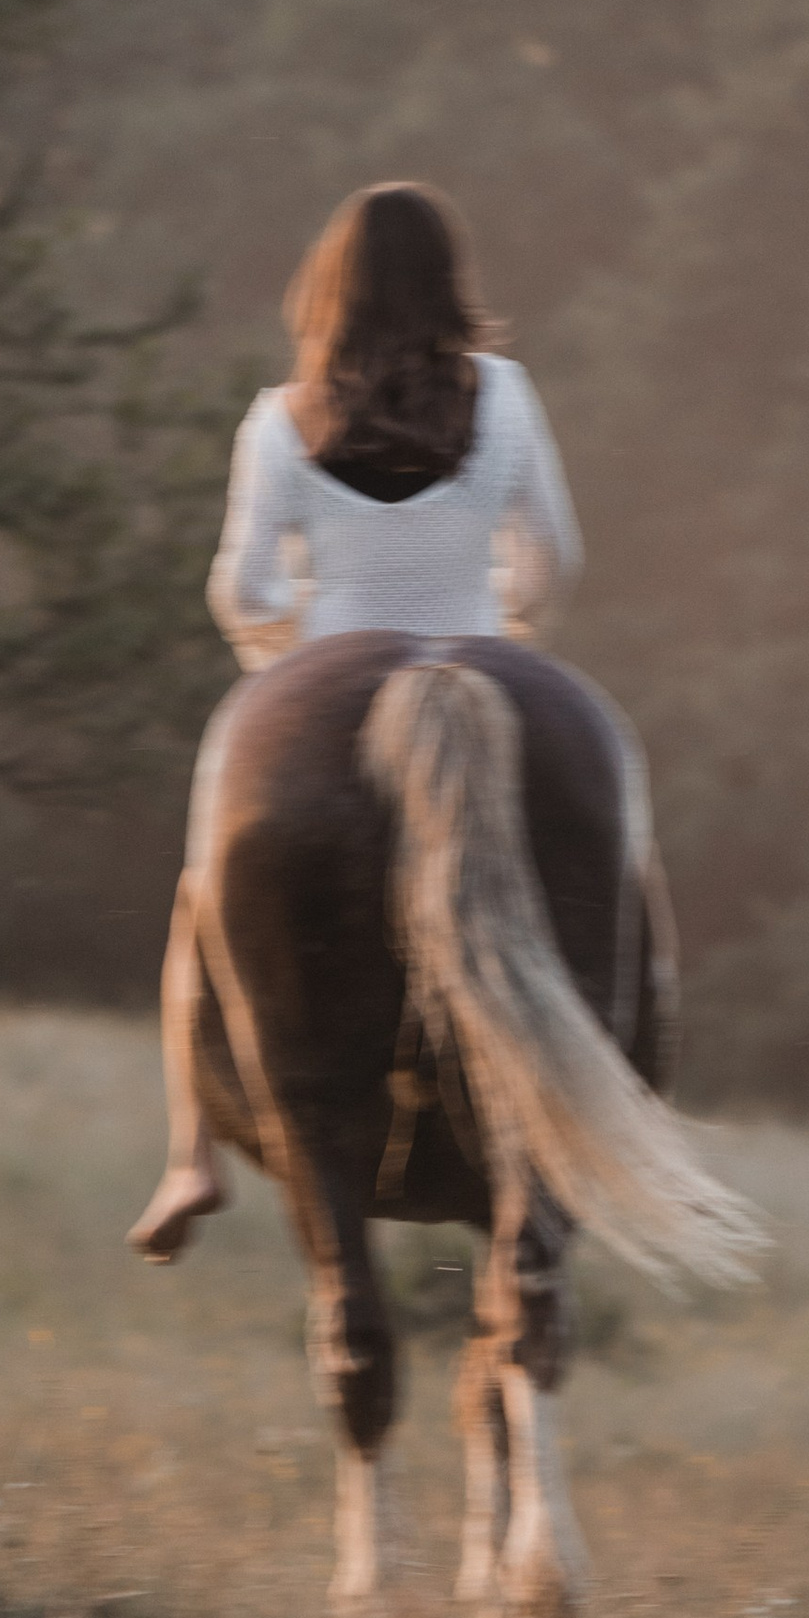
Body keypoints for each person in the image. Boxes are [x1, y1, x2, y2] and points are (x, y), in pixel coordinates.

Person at [128, 178, 583, 1261]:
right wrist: (509, 632)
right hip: (476, 662)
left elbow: (239, 590)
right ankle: (627, 1058)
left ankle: (190, 1155)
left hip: (329, 678)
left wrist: (287, 676)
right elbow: (555, 555)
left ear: (326, 288)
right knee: (614, 872)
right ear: (449, 282)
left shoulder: (279, 422)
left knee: (203, 894)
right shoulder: (506, 395)